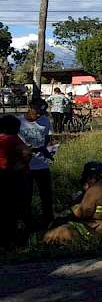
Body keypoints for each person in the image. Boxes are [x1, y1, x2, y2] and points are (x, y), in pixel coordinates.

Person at [43, 161, 102, 245]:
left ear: (91, 177)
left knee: (58, 232)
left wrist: (69, 208)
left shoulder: (93, 191)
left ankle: (42, 245)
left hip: (99, 232)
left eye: (87, 178)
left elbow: (80, 213)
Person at [17, 99, 55, 230]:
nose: (38, 115)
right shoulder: (18, 122)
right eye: (36, 112)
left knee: (46, 195)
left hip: (42, 164)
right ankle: (26, 223)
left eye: (41, 113)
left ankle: (49, 221)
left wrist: (50, 151)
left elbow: (47, 139)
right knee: (25, 196)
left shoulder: (45, 121)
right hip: (25, 166)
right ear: (30, 107)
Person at [0, 115, 32, 248]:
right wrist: (22, 165)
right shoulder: (13, 139)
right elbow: (27, 153)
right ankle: (17, 239)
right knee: (17, 208)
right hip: (14, 176)